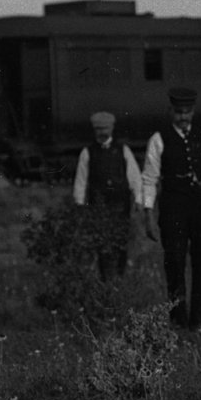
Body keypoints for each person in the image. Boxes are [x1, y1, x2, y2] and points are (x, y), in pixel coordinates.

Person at [143, 87, 201, 330]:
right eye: (178, 112)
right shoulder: (158, 140)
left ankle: (200, 322)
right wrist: (148, 214)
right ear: (170, 111)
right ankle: (178, 322)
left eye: (187, 112)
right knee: (175, 263)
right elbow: (149, 179)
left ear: (193, 112)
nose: (183, 117)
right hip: (173, 210)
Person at [72, 110, 142, 279]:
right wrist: (80, 204)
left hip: (121, 205)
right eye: (99, 129)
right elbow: (81, 181)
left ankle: (120, 277)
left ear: (112, 129)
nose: (102, 133)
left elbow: (134, 177)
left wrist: (139, 199)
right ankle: (106, 280)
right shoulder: (88, 152)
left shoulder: (123, 150)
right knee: (102, 243)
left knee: (121, 241)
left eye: (105, 129)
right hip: (99, 206)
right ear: (94, 130)